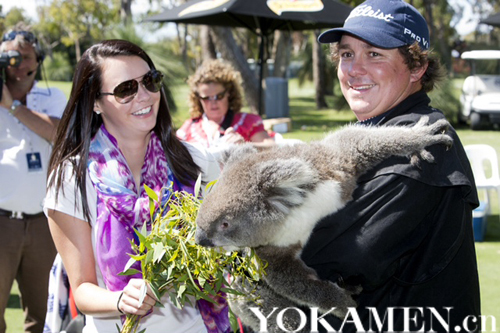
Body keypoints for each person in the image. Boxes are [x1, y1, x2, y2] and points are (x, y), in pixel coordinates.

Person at [300, 0, 481, 331]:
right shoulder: (378, 134)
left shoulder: (420, 145)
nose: (354, 69)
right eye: (346, 54)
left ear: (416, 68)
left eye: (374, 54)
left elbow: (335, 255)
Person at [44, 39, 227, 333]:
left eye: (150, 81)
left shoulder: (195, 162)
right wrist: (120, 299)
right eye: (126, 89)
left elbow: (225, 247)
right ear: (95, 102)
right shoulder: (71, 178)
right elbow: (82, 288)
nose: (144, 96)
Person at [0, 23, 65, 333]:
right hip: (2, 221)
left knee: (42, 315)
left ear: (38, 59)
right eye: (9, 58)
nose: (17, 65)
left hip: (44, 221)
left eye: (24, 57)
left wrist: (11, 106)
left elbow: (59, 133)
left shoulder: (51, 95)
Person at [176, 59, 274, 150]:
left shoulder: (248, 122)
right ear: (198, 98)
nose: (213, 102)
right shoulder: (188, 128)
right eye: (206, 98)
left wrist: (245, 147)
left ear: (229, 93)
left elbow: (271, 146)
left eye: (219, 96)